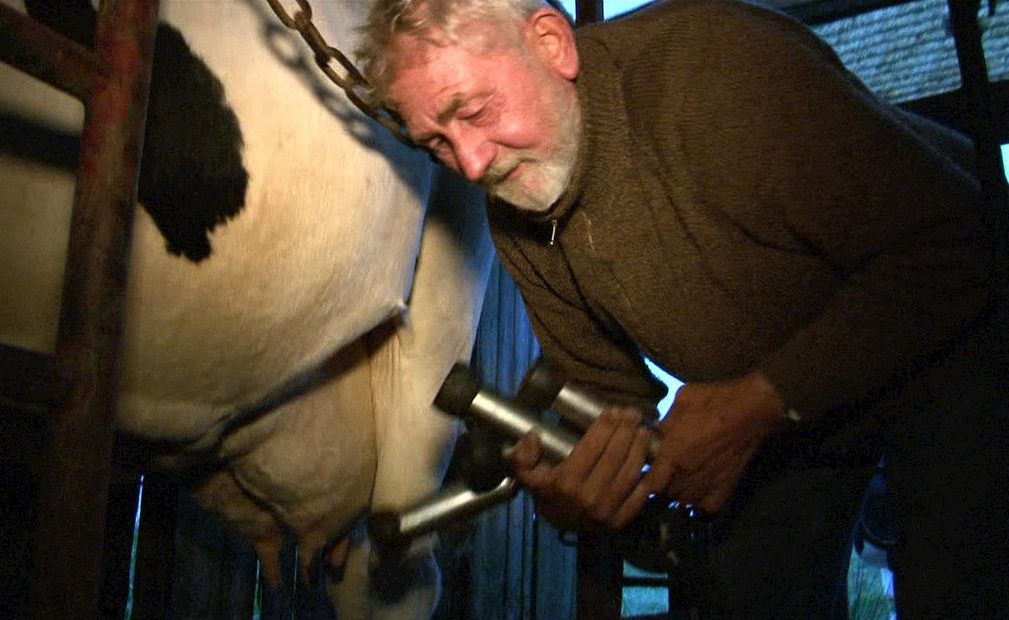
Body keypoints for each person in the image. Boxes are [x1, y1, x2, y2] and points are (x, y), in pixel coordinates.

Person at [356, 0, 1009, 617]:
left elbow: (956, 243)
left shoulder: (721, 77)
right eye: (436, 142)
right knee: (746, 596)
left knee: (963, 580)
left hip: (947, 329)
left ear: (551, 44)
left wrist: (754, 404)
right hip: (779, 408)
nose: (468, 164)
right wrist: (578, 486)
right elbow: (607, 395)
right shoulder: (521, 212)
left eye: (472, 109)